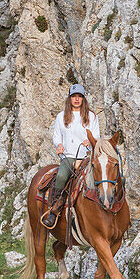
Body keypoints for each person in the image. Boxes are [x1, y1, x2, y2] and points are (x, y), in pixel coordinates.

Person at [41, 84, 100, 229]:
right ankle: (54, 210)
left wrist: (90, 140)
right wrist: (59, 145)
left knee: (102, 175)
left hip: (86, 156)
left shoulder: (91, 116)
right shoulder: (61, 116)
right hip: (69, 156)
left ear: (83, 98)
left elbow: (97, 134)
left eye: (79, 96)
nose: (77, 99)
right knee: (61, 177)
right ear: (70, 98)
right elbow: (56, 136)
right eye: (74, 96)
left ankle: (104, 205)